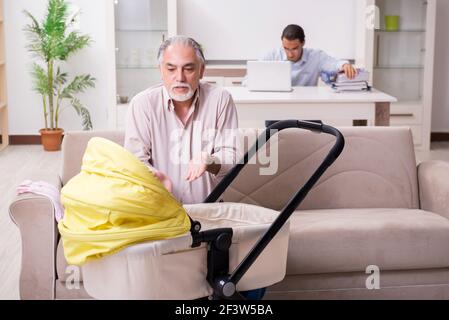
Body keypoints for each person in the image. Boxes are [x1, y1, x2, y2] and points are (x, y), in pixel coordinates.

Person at [124, 35, 239, 205]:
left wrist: (209, 160)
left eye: (188, 69)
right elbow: (134, 162)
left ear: (201, 70)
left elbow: (232, 157)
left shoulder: (220, 99)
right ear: (160, 70)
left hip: (209, 210)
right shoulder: (142, 105)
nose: (179, 78)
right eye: (171, 69)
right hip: (160, 211)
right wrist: (154, 177)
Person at [261, 24, 357, 86]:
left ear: (303, 43)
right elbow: (249, 79)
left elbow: (334, 64)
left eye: (294, 49)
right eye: (286, 48)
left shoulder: (315, 56)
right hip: (277, 106)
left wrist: (344, 65)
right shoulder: (272, 56)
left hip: (307, 106)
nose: (290, 54)